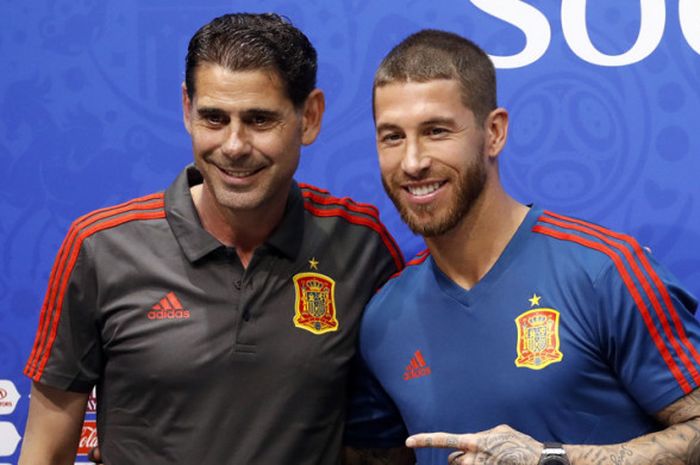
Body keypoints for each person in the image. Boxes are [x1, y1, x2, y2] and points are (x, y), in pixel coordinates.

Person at [18, 13, 412, 465]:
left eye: (260, 120)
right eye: (214, 118)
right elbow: (44, 452)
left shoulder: (362, 247)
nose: (234, 145)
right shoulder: (100, 248)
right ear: (187, 109)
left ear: (310, 117)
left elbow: (380, 440)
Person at [358, 29, 700, 465]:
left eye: (436, 131)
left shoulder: (606, 271)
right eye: (392, 137)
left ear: (494, 132)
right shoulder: (382, 319)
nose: (412, 161)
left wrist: (552, 459)